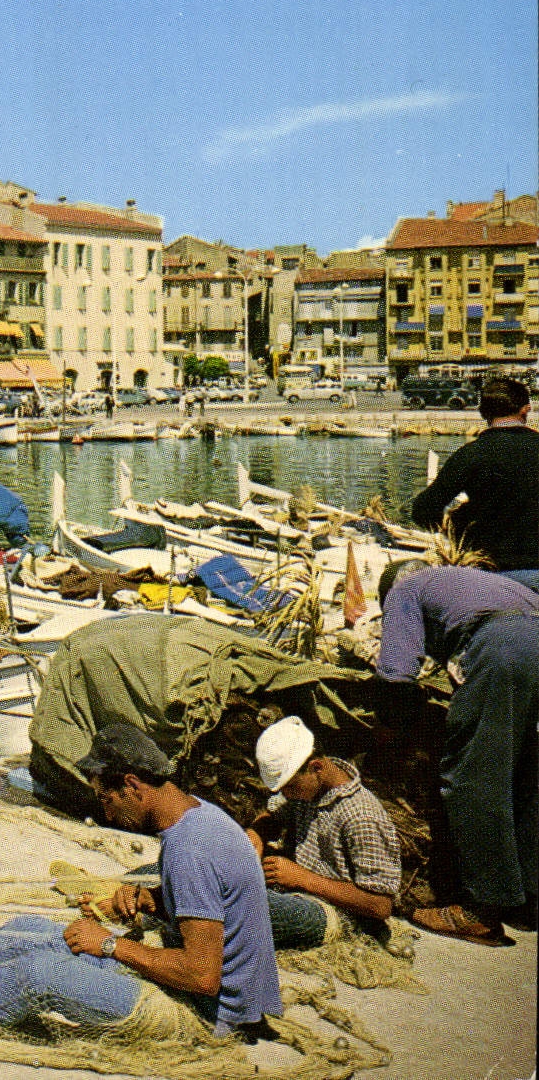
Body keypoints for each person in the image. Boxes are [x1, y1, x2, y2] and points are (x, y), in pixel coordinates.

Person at [0, 722, 280, 1037]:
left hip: (207, 1015)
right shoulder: (201, 816)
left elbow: (202, 975)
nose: (107, 812)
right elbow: (212, 903)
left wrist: (109, 945)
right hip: (212, 995)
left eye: (106, 798)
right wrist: (153, 899)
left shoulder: (190, 850)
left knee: (40, 974)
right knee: (32, 930)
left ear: (132, 785)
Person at [375, 562, 539, 944]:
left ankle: (481, 910)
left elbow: (396, 675)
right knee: (528, 773)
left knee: (473, 777)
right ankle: (527, 900)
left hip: (505, 649)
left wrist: (388, 735)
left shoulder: (405, 588)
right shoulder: (475, 578)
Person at [245, 717, 401, 949]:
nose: (286, 794)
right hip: (293, 892)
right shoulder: (308, 789)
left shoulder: (363, 817)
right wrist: (255, 835)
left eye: (290, 787)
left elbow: (380, 905)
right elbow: (273, 815)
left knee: (246, 906)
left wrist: (302, 878)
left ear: (316, 767)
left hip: (335, 913)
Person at [407, 376, 539, 591]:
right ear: (526, 410)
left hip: (490, 575)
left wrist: (454, 526)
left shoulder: (471, 454)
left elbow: (423, 510)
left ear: (483, 414)